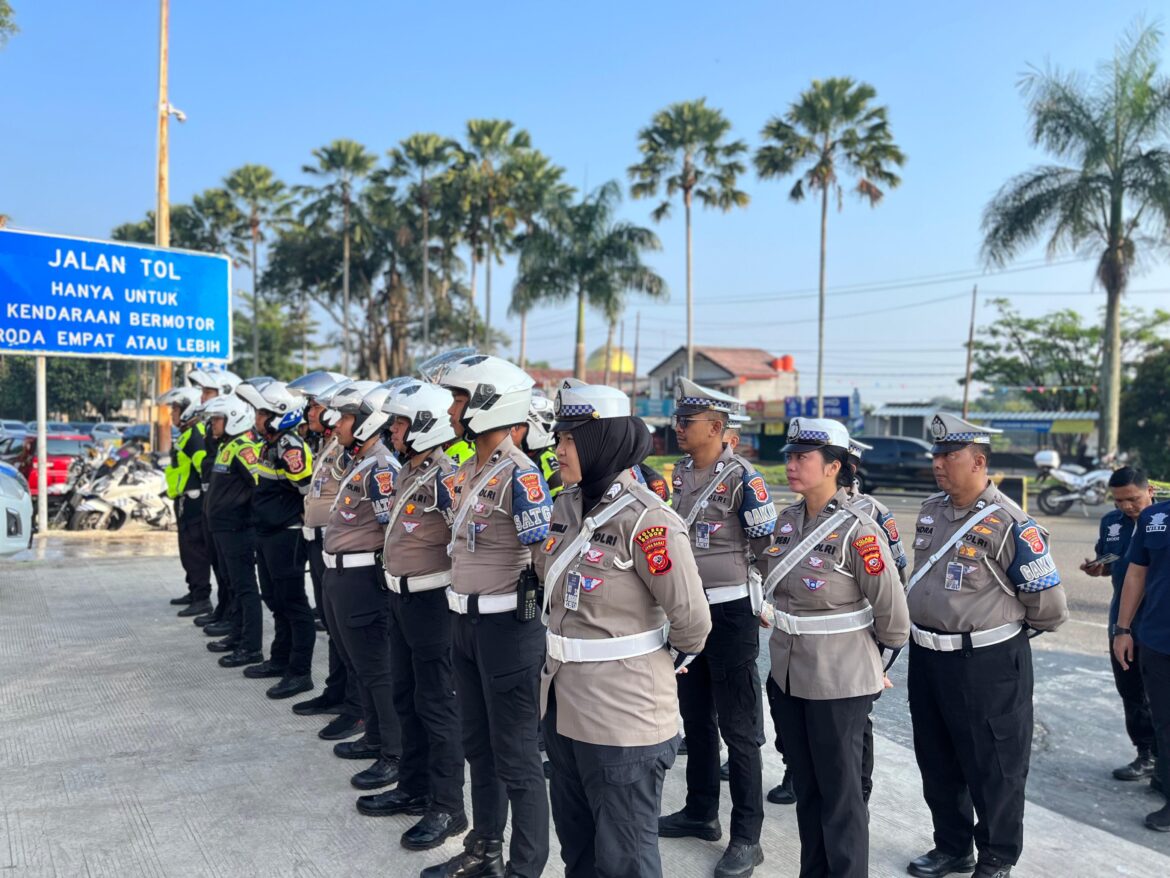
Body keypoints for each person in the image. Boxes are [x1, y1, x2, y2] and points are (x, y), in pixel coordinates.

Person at [536, 379, 710, 878]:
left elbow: (693, 623)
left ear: (601, 441)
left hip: (622, 720)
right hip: (564, 711)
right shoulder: (567, 507)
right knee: (581, 853)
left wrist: (644, 665)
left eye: (569, 439)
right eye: (559, 437)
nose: (558, 448)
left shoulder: (648, 520)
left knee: (626, 860)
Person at [905, 413, 1068, 878]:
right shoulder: (931, 510)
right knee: (937, 758)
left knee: (994, 764)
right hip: (929, 657)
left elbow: (1050, 608)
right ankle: (952, 846)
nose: (938, 463)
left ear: (978, 461)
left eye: (948, 455)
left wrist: (994, 631)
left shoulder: (1013, 523)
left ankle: (997, 856)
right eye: (935, 454)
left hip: (988, 663)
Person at [420, 353, 553, 878]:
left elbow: (543, 559)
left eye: (458, 398)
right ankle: (485, 850)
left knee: (518, 757)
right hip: (465, 624)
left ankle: (525, 867)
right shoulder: (471, 468)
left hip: (508, 631)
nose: (450, 409)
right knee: (479, 746)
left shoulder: (522, 477)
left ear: (486, 402)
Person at [759, 417, 909, 878]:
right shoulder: (786, 522)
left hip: (838, 682)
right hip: (787, 676)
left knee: (841, 796)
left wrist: (870, 668)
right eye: (789, 455)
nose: (791, 464)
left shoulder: (859, 531)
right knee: (808, 789)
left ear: (834, 467)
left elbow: (894, 618)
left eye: (802, 457)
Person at [658, 378, 776, 878]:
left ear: (717, 428)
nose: (678, 429)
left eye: (687, 423)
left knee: (740, 729)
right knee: (696, 719)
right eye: (678, 421)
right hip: (687, 614)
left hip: (729, 615)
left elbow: (767, 544)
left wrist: (751, 593)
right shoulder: (679, 473)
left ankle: (746, 837)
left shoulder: (745, 478)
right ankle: (701, 811)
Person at [356, 380, 468, 852]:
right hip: (401, 600)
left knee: (438, 706)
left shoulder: (446, 476)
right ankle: (412, 785)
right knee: (405, 695)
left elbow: (466, 540)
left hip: (432, 605)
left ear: (425, 425)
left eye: (401, 423)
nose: (394, 431)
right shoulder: (409, 471)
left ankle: (447, 806)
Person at [319, 381, 404, 791]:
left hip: (362, 579)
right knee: (359, 666)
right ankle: (373, 736)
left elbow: (392, 533)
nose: (337, 425)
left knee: (376, 669)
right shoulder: (359, 463)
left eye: (347, 418)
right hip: (339, 575)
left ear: (367, 423)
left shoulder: (383, 468)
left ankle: (393, 753)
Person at [286, 372, 364, 741]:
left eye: (316, 405)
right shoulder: (326, 443)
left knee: (347, 632)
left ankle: (355, 707)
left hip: (339, 546)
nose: (311, 412)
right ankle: (336, 691)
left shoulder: (351, 450)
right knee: (332, 626)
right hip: (319, 541)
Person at [235, 379, 316, 700]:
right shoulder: (273, 445)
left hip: (287, 536)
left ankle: (300, 673)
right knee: (274, 600)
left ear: (279, 415)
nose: (256, 418)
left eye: (261, 412)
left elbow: (307, 492)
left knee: (294, 604)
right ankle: (280, 660)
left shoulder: (291, 447)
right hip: (268, 534)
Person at [1081, 467, 1159, 784]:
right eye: (1119, 501)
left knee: (1161, 695)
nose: (1127, 506)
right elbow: (1108, 562)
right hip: (1122, 623)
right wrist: (1096, 568)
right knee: (1130, 691)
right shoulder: (1111, 523)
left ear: (1150, 490)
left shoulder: (1162, 523)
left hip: (1158, 622)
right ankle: (1147, 755)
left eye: (1133, 498)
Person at [1113, 494, 1170, 832]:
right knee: (1165, 723)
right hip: (1158, 640)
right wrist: (1122, 629)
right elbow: (1136, 575)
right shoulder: (1155, 518)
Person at [201, 391, 266, 669]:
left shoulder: (244, 448)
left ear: (234, 420)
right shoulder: (228, 445)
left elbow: (258, 486)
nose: (213, 424)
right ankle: (237, 635)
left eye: (217, 419)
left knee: (245, 588)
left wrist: (247, 515)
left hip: (238, 529)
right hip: (223, 529)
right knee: (232, 585)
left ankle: (251, 647)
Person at [186, 367, 241, 631]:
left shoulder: (236, 434)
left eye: (208, 391)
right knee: (219, 566)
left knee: (234, 575)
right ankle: (223, 609)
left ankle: (233, 617)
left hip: (230, 516)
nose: (203, 397)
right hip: (212, 504)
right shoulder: (211, 426)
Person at [158, 385, 212, 618]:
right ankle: (194, 590)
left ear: (189, 410)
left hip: (194, 502)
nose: (172, 414)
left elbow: (204, 471)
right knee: (186, 550)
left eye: (176, 409)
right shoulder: (187, 434)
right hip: (183, 500)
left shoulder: (196, 436)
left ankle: (202, 598)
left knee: (195, 551)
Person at [512, 393, 563, 498]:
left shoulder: (548, 460)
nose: (512, 431)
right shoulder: (526, 456)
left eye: (517, 426)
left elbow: (560, 503)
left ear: (537, 429)